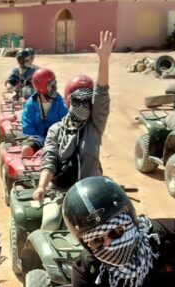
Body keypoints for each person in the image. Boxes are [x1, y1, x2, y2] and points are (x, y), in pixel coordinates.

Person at [33, 30, 114, 203]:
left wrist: (104, 61)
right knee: (51, 218)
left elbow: (101, 94)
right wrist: (42, 186)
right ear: (68, 101)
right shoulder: (56, 130)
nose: (82, 105)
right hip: (62, 193)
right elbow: (49, 160)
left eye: (87, 101)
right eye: (77, 101)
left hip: (92, 193)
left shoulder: (95, 125)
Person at [20, 68, 68, 158]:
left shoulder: (61, 103)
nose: (54, 87)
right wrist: (43, 143)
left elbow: (66, 124)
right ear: (41, 87)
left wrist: (52, 142)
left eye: (54, 83)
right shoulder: (30, 104)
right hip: (37, 139)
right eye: (51, 85)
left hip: (56, 139)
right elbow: (27, 128)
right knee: (26, 149)